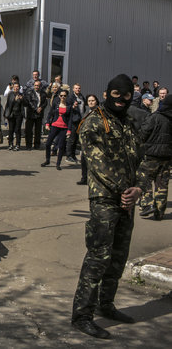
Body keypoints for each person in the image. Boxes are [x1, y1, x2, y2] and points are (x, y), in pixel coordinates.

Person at [71, 74, 146, 339]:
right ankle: (82, 315)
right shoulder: (93, 123)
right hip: (104, 200)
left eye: (126, 97)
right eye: (116, 95)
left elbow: (142, 158)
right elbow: (98, 164)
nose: (121, 101)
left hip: (128, 200)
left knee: (118, 257)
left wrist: (138, 188)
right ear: (107, 93)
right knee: (98, 258)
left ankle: (106, 305)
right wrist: (123, 191)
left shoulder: (129, 123)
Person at [138, 95, 172, 220]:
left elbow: (142, 134)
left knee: (144, 180)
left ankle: (147, 204)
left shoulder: (154, 117)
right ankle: (159, 212)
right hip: (167, 158)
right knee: (162, 185)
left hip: (150, 156)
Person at [41, 89, 71, 170]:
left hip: (63, 128)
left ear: (66, 96)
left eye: (64, 96)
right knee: (48, 144)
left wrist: (69, 130)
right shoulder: (56, 104)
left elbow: (70, 119)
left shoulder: (69, 106)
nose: (63, 97)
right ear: (59, 96)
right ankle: (47, 160)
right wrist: (47, 123)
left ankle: (58, 164)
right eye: (61, 95)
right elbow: (50, 113)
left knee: (61, 146)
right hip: (55, 125)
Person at [77, 94, 100, 185]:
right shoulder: (86, 111)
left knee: (94, 162)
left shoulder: (99, 112)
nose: (90, 102)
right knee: (84, 161)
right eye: (89, 101)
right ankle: (84, 178)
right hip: (85, 142)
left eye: (92, 100)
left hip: (95, 141)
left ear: (96, 101)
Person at [23, 80, 47, 150]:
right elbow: (29, 102)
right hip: (31, 114)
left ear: (40, 86)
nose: (37, 87)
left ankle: (37, 145)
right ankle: (28, 145)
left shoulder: (43, 93)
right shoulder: (29, 92)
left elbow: (45, 103)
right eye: (35, 85)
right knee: (29, 130)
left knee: (38, 131)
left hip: (39, 114)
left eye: (38, 85)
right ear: (34, 86)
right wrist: (36, 108)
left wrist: (41, 108)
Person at [65, 83, 85, 162]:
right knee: (72, 139)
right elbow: (67, 109)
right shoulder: (70, 98)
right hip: (73, 120)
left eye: (79, 88)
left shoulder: (81, 97)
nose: (78, 90)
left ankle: (73, 156)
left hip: (80, 120)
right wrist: (73, 107)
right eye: (76, 88)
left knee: (76, 139)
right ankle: (68, 156)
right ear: (73, 89)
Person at [4, 82, 24, 150]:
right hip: (11, 114)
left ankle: (18, 144)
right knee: (11, 130)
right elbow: (8, 104)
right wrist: (5, 114)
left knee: (17, 130)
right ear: (13, 87)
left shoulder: (21, 95)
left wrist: (22, 99)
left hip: (19, 114)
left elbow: (25, 104)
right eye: (15, 86)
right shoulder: (10, 94)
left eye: (17, 87)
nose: (16, 88)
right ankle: (10, 144)